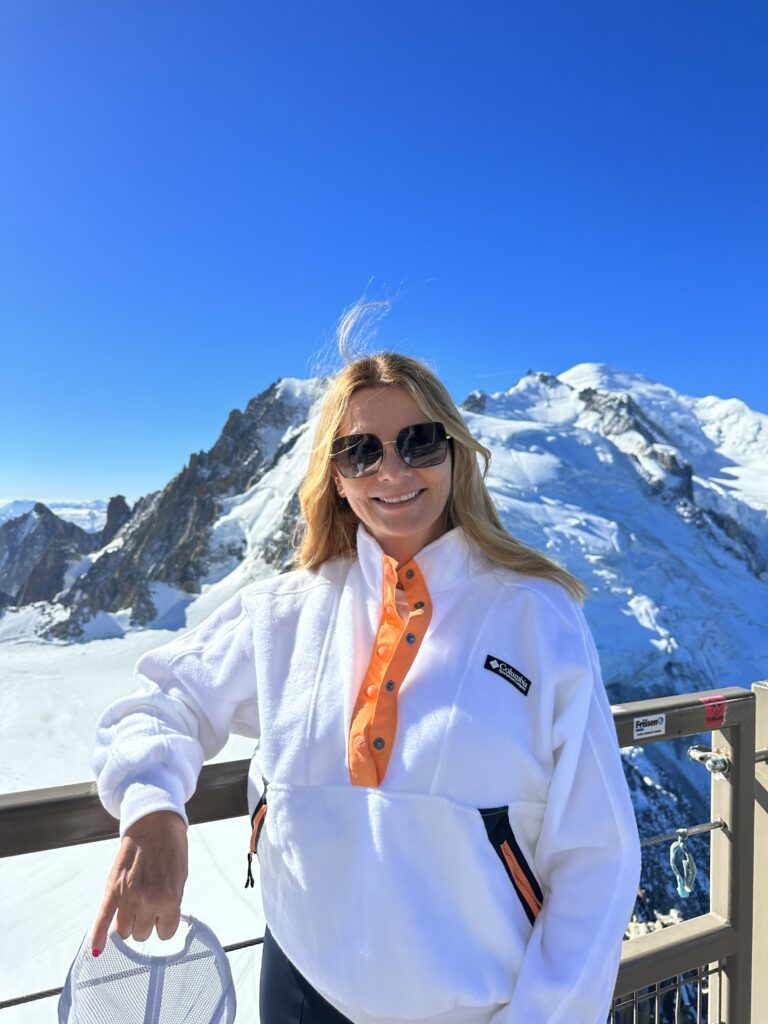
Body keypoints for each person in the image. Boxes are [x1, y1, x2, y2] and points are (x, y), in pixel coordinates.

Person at [90, 307, 642, 1024]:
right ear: (336, 478)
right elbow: (159, 699)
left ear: (455, 454)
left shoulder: (538, 619)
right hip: (299, 989)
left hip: (475, 1009)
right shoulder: (285, 612)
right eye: (360, 452)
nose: (392, 470)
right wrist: (153, 808)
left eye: (419, 442)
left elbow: (598, 856)